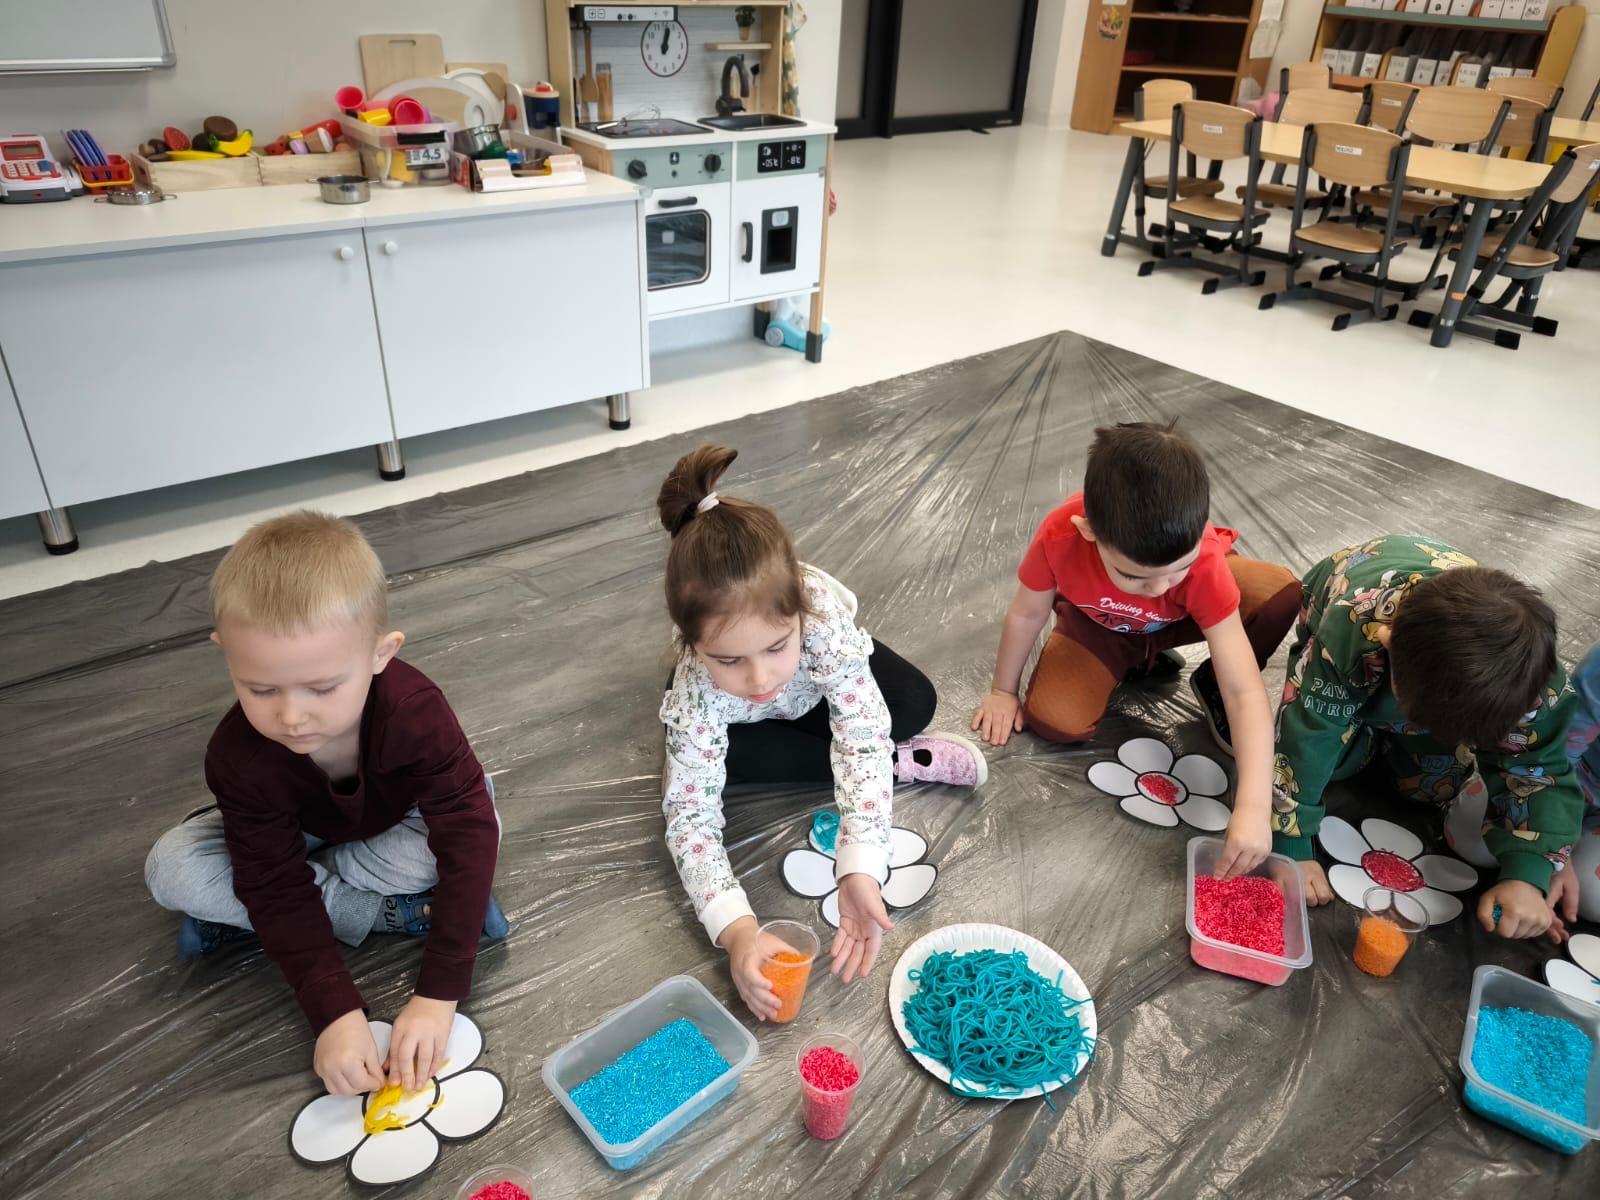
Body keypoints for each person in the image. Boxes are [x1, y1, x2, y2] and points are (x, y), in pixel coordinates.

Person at [144, 511, 506, 1096]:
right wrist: (333, 1010)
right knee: (171, 867)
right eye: (261, 689)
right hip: (300, 832)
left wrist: (439, 993)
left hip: (390, 823)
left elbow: (466, 827)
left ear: (380, 654)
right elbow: (270, 878)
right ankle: (392, 913)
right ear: (225, 653)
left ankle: (275, 914)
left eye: (322, 688)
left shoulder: (415, 711)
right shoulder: (236, 757)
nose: (291, 716)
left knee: (474, 821)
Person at [657, 445, 984, 1019]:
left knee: (912, 702)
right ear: (692, 645)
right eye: (729, 659)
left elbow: (860, 730)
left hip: (815, 693)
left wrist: (860, 862)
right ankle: (899, 762)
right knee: (711, 768)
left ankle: (891, 756)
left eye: (776, 646)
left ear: (800, 614)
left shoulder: (821, 617)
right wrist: (737, 930)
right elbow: (689, 816)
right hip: (744, 722)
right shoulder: (697, 692)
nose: (759, 678)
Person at [970, 420, 1298, 879]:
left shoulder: (1202, 562)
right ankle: (1132, 661)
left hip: (1181, 621)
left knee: (1278, 593)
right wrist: (1003, 691)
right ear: (1089, 532)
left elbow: (1245, 690)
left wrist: (1254, 807)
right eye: (1134, 575)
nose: (1159, 588)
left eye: (1177, 569)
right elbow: (1027, 614)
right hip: (1103, 627)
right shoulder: (1060, 536)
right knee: (1055, 720)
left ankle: (1207, 681)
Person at [1270, 536, 1583, 940]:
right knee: (1332, 760)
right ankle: (1364, 729)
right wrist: (1291, 845)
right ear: (1389, 644)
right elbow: (1307, 733)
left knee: (1434, 786)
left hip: (1428, 675)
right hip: (1341, 614)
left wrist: (1528, 873)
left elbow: (1538, 769)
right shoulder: (1354, 626)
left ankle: (1386, 733)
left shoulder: (1536, 685)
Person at [1562, 642, 1600, 924]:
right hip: (1570, 776)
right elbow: (1560, 751)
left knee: (1593, 898)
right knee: (1472, 838)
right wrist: (1553, 850)